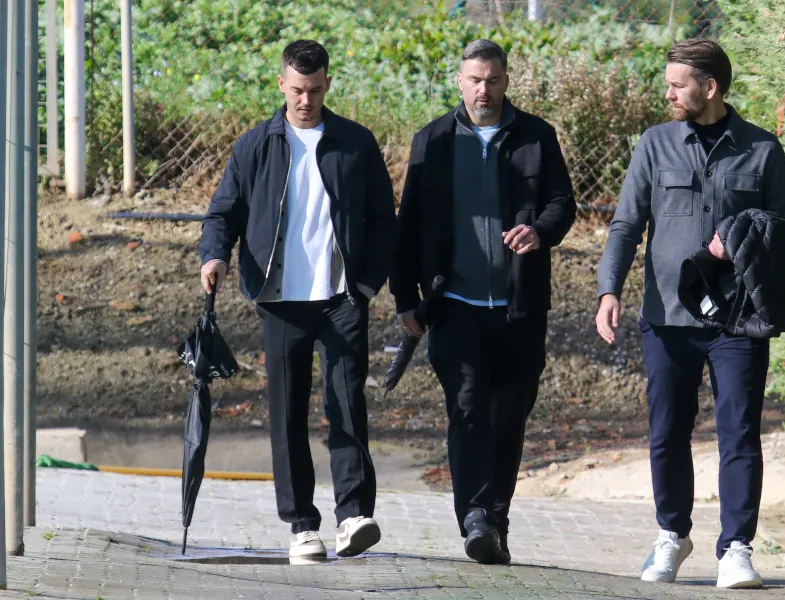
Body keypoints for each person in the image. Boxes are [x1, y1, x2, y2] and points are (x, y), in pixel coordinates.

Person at [595, 38, 785, 587]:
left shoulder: (762, 151)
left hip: (738, 319)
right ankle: (672, 535)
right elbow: (625, 224)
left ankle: (735, 548)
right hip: (667, 316)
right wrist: (608, 290)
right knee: (667, 431)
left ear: (708, 88)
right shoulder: (655, 145)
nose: (668, 92)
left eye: (677, 84)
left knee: (738, 432)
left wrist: (741, 244)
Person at [198, 39, 397, 560]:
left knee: (347, 403)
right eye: (295, 90)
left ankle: (353, 515)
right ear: (281, 85)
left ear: (328, 83)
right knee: (287, 413)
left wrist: (368, 284)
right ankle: (301, 526)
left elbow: (383, 221)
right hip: (280, 298)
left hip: (341, 297)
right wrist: (214, 256)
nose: (304, 100)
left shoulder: (356, 143)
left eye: (313, 89)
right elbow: (224, 213)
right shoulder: (254, 145)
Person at [390, 39, 576, 565]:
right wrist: (406, 296)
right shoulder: (434, 141)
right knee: (468, 407)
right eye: (474, 80)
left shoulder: (536, 137)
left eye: (492, 80)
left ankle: (496, 518)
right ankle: (475, 518)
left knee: (509, 414)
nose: (483, 90)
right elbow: (409, 228)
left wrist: (540, 231)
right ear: (459, 81)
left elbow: (563, 203)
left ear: (506, 81)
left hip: (520, 307)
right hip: (455, 304)